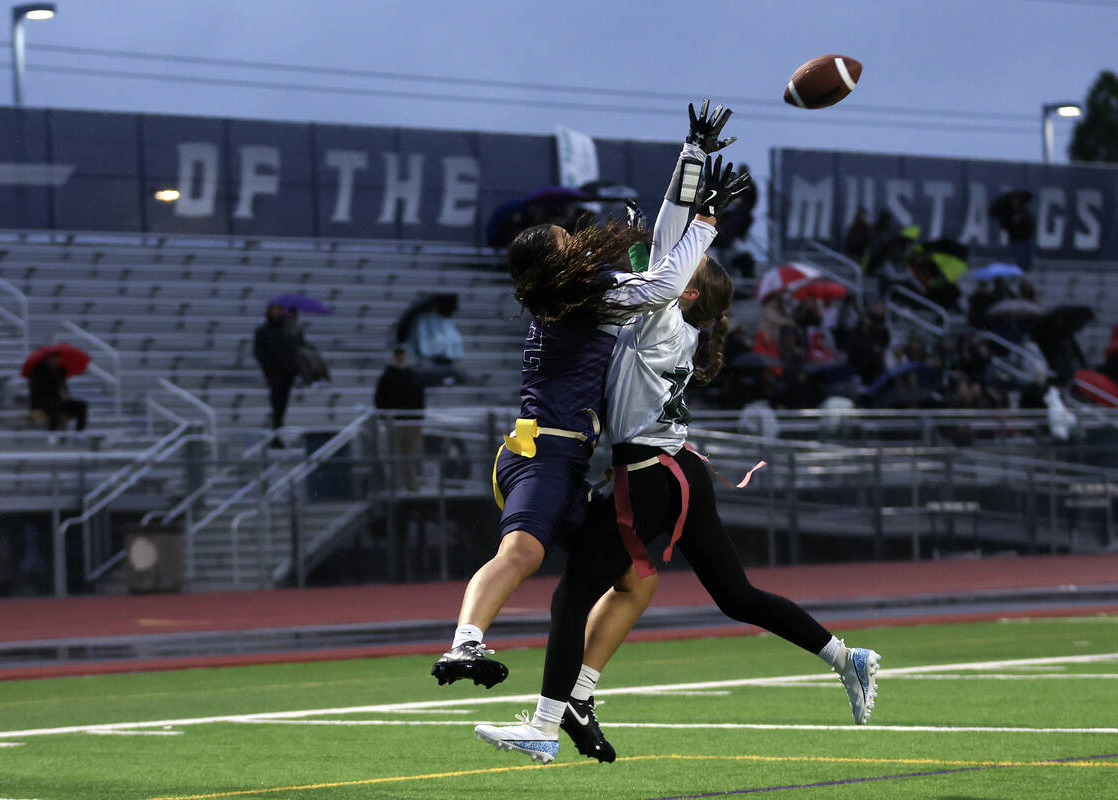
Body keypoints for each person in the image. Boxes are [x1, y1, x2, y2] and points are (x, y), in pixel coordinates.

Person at [473, 157, 880, 766]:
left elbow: (666, 262)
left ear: (688, 290)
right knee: (736, 596)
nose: (658, 267)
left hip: (648, 477)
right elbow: (664, 251)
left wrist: (706, 213)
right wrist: (689, 160)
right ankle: (845, 657)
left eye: (678, 273)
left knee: (572, 596)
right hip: (681, 468)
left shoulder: (661, 317)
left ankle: (546, 723)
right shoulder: (674, 326)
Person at [431, 99, 745, 690]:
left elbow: (660, 244)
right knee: (523, 554)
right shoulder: (585, 294)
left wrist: (694, 155)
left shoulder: (572, 290)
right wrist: (706, 223)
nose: (575, 236)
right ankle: (463, 646)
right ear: (554, 259)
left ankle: (579, 696)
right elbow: (662, 280)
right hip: (542, 452)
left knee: (636, 579)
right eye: (563, 236)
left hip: (569, 459)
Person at [374, 347, 426, 491]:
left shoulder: (413, 375)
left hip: (412, 422)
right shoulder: (387, 376)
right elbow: (379, 399)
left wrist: (420, 417)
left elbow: (420, 398)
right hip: (394, 423)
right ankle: (393, 485)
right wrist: (384, 418)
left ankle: (411, 484)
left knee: (410, 455)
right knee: (391, 455)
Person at [253, 302, 298, 447]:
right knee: (276, 406)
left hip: (287, 375)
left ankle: (277, 434)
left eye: (280, 310)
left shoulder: (287, 329)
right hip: (274, 375)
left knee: (281, 407)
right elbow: (260, 353)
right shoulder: (263, 331)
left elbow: (296, 346)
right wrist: (269, 371)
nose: (278, 313)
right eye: (275, 310)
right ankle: (275, 435)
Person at [28, 352, 87, 432]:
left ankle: (79, 432)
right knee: (55, 406)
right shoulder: (37, 372)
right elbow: (37, 391)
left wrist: (63, 392)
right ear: (48, 359)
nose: (57, 360)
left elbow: (63, 388)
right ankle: (53, 432)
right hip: (41, 400)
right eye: (54, 358)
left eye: (58, 358)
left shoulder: (60, 371)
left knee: (81, 405)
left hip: (58, 400)